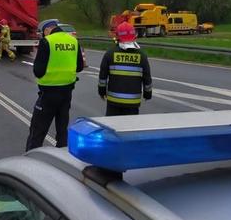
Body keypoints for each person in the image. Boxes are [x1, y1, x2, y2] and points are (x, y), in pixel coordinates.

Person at [25, 19, 84, 151]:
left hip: (48, 94)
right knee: (62, 130)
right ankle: (62, 157)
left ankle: (31, 160)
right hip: (67, 93)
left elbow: (38, 71)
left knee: (37, 130)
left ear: (47, 30)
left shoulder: (47, 41)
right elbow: (79, 67)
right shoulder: (73, 41)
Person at [98, 21, 152, 116]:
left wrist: (101, 91)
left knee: (113, 128)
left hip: (113, 102)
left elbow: (103, 77)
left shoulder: (110, 54)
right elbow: (147, 77)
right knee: (129, 128)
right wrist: (148, 94)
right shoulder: (142, 56)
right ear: (134, 35)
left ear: (118, 36)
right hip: (133, 103)